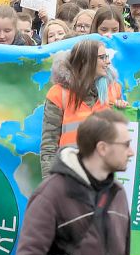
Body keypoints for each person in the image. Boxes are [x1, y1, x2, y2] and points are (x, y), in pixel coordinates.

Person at [13, 109, 133, 255]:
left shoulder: (118, 194)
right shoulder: (51, 194)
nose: (131, 151)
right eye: (125, 144)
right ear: (102, 148)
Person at [41, 39, 126, 175]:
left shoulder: (114, 89)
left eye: (107, 57)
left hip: (104, 179)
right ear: (85, 61)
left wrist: (123, 113)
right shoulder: (58, 93)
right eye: (102, 57)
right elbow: (49, 144)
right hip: (70, 176)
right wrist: (50, 181)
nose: (108, 62)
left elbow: (121, 139)